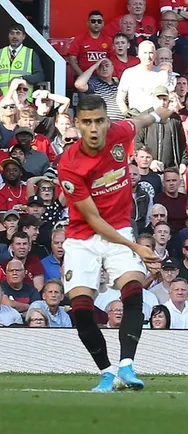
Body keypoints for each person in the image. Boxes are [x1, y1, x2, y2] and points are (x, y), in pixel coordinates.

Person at [57, 93, 171, 392]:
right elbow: (93, 220)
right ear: (77, 124)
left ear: (108, 121)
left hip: (119, 227)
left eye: (99, 121)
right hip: (83, 237)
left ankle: (126, 366)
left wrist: (160, 113)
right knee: (81, 308)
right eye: (87, 122)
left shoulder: (119, 135)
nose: (94, 129)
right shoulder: (69, 165)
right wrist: (136, 247)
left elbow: (139, 120)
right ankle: (107, 372)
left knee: (133, 292)